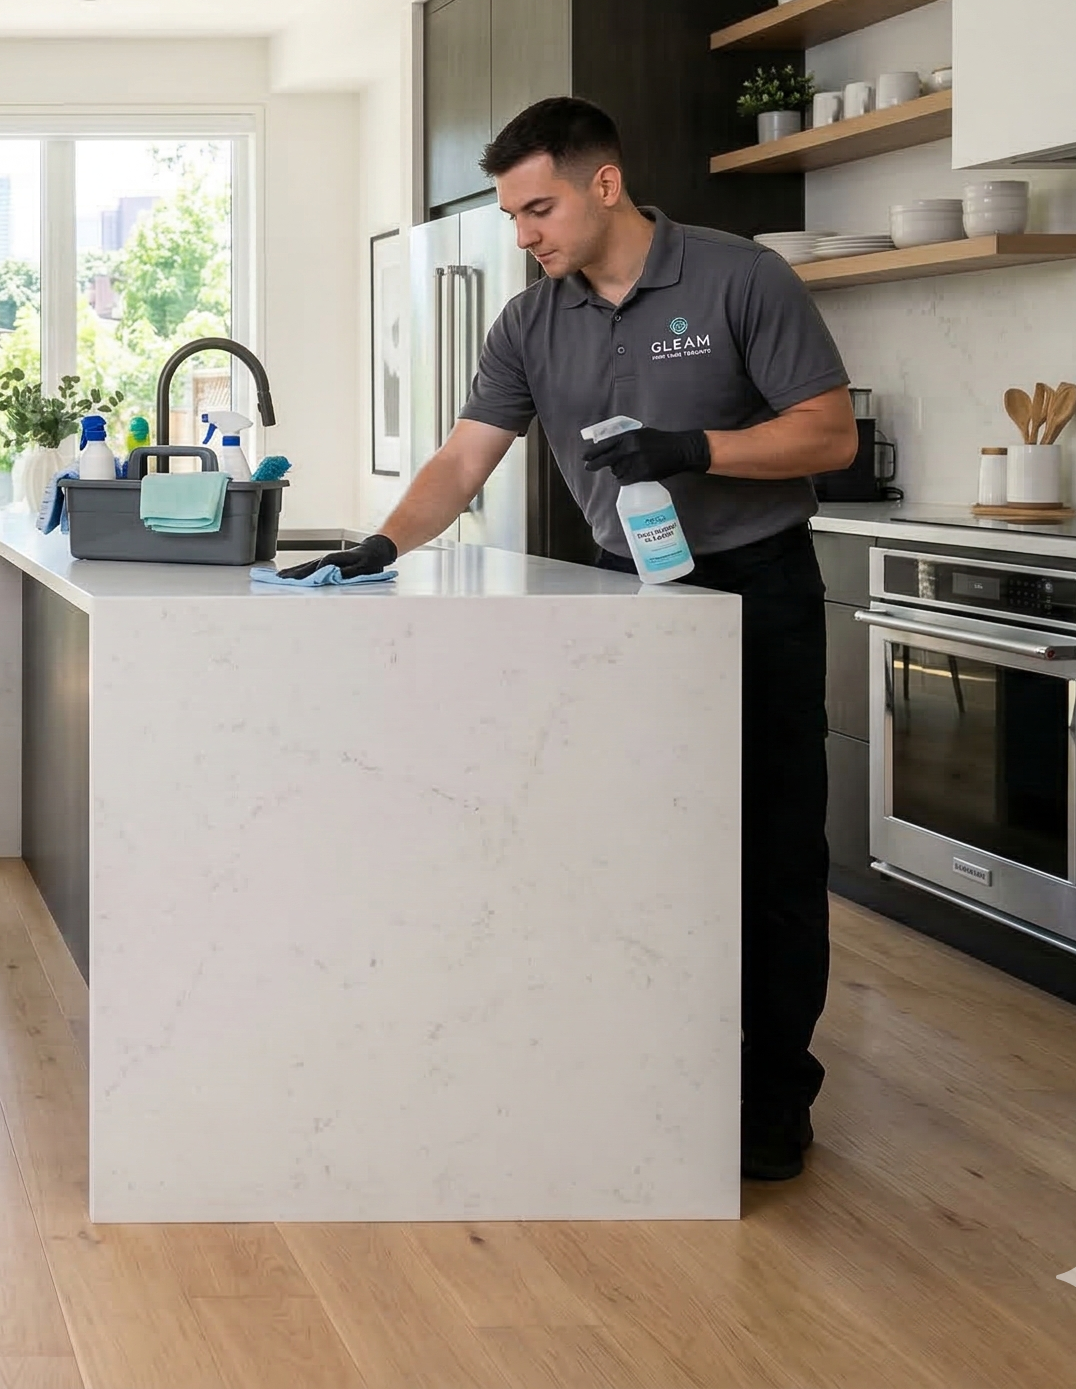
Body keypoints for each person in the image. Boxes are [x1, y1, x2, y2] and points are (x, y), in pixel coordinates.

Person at [284, 97, 855, 1181]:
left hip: (755, 587)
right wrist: (379, 546)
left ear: (603, 184)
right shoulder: (526, 321)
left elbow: (825, 433)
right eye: (509, 215)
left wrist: (694, 447)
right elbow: (460, 462)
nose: (522, 234)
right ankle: (639, 1064)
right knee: (628, 843)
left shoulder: (738, 278)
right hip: (621, 593)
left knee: (769, 845)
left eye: (535, 207)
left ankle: (770, 1095)